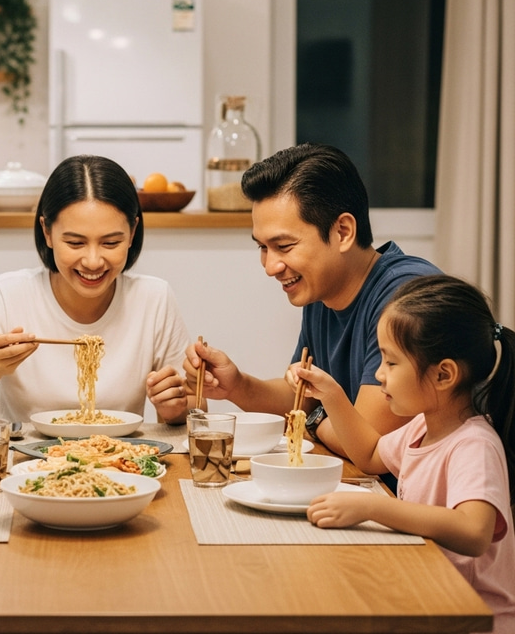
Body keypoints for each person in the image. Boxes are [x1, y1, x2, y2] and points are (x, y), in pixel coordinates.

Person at [184, 143, 442, 459]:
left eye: (284, 246)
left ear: (343, 232)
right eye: (263, 248)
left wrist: (313, 417)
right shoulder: (321, 291)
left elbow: (368, 441)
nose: (270, 267)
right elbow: (300, 398)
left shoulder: (406, 296)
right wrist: (237, 385)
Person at [301, 274, 515, 632]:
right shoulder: (421, 427)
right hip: (430, 594)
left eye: (391, 362)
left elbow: (475, 531)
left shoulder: (473, 445)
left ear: (444, 374)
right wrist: (333, 395)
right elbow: (369, 454)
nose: (379, 375)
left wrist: (374, 507)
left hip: (475, 618)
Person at [0, 154, 194, 425]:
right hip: (23, 463)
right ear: (46, 232)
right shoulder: (7, 294)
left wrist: (175, 408)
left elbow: (194, 406)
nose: (93, 261)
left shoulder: (153, 298)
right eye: (75, 243)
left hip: (122, 461)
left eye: (110, 243)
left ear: (132, 233)